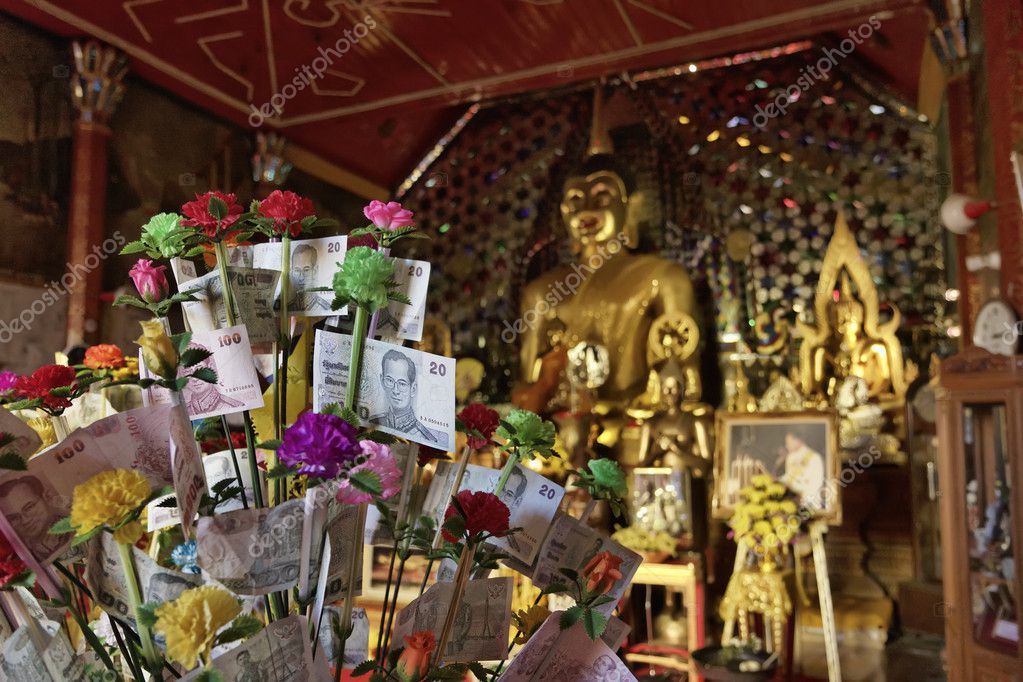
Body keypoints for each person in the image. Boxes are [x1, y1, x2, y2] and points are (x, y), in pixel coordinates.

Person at [370, 350, 445, 444]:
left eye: (402, 383)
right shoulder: (371, 422)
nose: (395, 391)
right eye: (389, 381)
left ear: (413, 389)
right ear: (382, 381)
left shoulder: (425, 438)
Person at [0, 475, 67, 559]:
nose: (25, 520)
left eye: (29, 507)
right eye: (13, 518)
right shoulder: (21, 556)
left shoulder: (74, 528)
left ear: (45, 497)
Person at [776, 426, 826, 510]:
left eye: (788, 442)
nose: (786, 446)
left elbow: (816, 485)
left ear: (798, 440)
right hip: (793, 502)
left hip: (809, 504)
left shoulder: (814, 457)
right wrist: (779, 481)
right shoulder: (790, 457)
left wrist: (796, 491)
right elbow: (789, 477)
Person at [289, 244, 332, 313]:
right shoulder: (288, 308)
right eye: (297, 270)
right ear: (292, 271)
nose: (301, 277)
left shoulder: (326, 309)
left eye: (306, 270)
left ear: (314, 271)